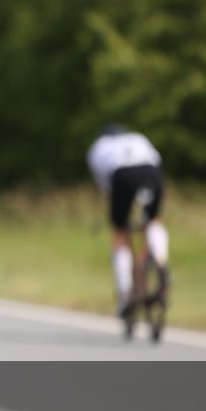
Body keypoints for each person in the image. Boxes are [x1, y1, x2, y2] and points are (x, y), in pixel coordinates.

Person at [87, 124, 170, 320]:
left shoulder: (98, 147)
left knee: (120, 234)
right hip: (151, 172)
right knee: (153, 222)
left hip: (122, 174)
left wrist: (116, 216)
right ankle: (160, 260)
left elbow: (107, 188)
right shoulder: (138, 137)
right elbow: (158, 166)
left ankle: (125, 293)